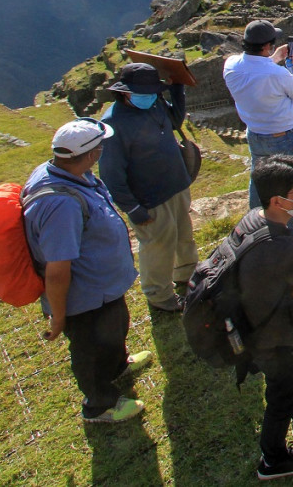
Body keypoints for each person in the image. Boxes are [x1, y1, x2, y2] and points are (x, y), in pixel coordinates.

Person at [22, 118, 152, 423]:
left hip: (103, 287)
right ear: (92, 154)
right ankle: (99, 404)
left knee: (115, 326)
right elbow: (57, 269)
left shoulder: (69, 173)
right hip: (84, 295)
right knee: (90, 349)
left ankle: (118, 365)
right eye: (100, 147)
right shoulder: (60, 205)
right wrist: (59, 313)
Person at [237, 155, 293, 481]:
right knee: (278, 393)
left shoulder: (250, 220)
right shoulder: (285, 247)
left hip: (254, 323)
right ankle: (273, 457)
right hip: (277, 336)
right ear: (278, 200)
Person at [99, 63, 198, 313]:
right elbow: (111, 173)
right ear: (124, 92)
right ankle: (159, 296)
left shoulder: (155, 103)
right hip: (150, 197)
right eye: (144, 93)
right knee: (158, 247)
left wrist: (177, 90)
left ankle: (187, 274)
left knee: (183, 236)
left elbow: (174, 120)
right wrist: (132, 207)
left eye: (154, 92)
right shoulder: (113, 124)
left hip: (175, 184)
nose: (150, 96)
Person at [224, 19, 293, 238]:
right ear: (267, 46)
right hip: (284, 135)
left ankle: (256, 224)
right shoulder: (276, 74)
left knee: (259, 178)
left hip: (255, 134)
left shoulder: (231, 65)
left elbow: (257, 73)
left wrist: (273, 58)